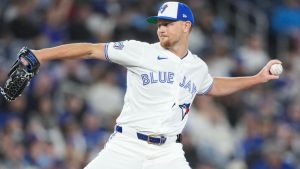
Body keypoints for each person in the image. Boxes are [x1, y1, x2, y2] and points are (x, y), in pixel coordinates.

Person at [24, 2, 281, 169]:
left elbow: (213, 85)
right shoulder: (140, 51)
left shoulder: (197, 66)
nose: (161, 28)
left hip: (168, 152)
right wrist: (41, 55)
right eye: (159, 24)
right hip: (127, 145)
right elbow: (91, 50)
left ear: (186, 26)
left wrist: (257, 78)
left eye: (167, 23)